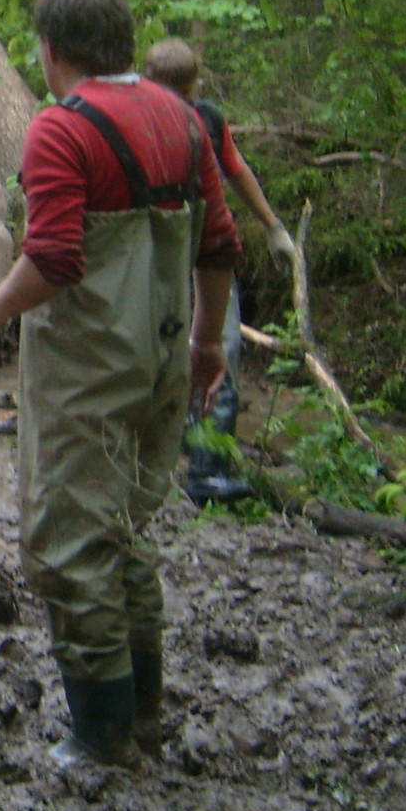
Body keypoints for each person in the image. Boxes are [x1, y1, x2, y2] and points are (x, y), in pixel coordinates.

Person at [0, 0, 240, 769]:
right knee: (127, 533)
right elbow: (220, 244)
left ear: (52, 50)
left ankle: (101, 736)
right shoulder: (182, 119)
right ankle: (144, 715)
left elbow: (54, 258)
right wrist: (208, 347)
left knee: (71, 544)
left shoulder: (61, 129)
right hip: (163, 361)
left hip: (88, 373)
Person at [143, 39, 296, 504]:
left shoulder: (206, 119)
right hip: (161, 251)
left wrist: (274, 227)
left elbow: (235, 169)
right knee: (178, 351)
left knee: (215, 349)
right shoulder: (138, 118)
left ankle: (205, 467)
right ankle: (165, 460)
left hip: (199, 250)